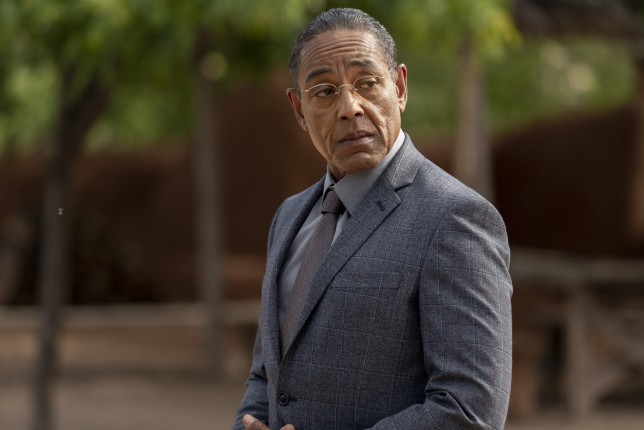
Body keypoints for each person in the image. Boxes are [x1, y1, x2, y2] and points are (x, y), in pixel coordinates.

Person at [232, 7, 512, 430]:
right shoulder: (289, 218)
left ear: (399, 87)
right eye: (325, 91)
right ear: (299, 110)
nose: (349, 107)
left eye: (367, 83)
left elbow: (471, 410)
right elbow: (268, 376)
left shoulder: (455, 217)